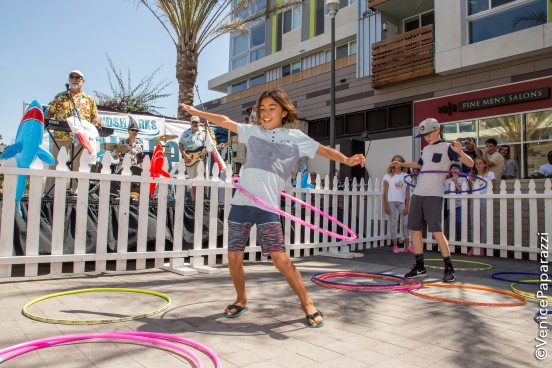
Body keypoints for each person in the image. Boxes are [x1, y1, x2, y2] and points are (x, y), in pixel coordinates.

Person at [179, 88, 365, 328]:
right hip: (241, 204)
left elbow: (323, 150)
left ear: (284, 111)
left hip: (267, 207)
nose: (265, 113)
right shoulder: (253, 131)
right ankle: (241, 299)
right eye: (262, 109)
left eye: (271, 108)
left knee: (280, 259)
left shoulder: (295, 137)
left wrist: (347, 160)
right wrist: (198, 113)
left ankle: (307, 303)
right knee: (234, 255)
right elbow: (225, 121)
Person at [391, 118, 473, 283]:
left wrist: (461, 152)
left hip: (434, 194)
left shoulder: (447, 148)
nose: (426, 137)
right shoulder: (426, 149)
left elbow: (470, 164)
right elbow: (420, 165)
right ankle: (419, 266)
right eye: (423, 135)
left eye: (428, 133)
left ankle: (449, 268)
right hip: (418, 193)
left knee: (436, 231)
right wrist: (401, 164)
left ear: (437, 130)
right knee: (414, 229)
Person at [45, 70, 102, 194]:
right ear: (69, 80)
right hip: (61, 135)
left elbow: (94, 117)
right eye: (72, 77)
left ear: (83, 81)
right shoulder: (60, 96)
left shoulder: (89, 99)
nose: (75, 79)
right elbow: (50, 112)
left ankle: (75, 194)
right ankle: (50, 195)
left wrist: (98, 122)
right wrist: (49, 118)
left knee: (79, 166)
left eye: (78, 77)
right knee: (55, 164)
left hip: (81, 137)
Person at [383, 155, 412, 254]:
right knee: (393, 223)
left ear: (402, 163)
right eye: (395, 161)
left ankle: (407, 246)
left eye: (399, 161)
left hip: (401, 202)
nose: (397, 162)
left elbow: (408, 192)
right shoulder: (388, 176)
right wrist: (386, 205)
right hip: (391, 202)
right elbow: (385, 191)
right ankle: (395, 245)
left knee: (406, 223)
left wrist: (407, 206)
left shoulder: (405, 176)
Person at [468, 157, 495, 256]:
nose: (478, 165)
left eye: (480, 163)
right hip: (474, 200)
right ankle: (474, 246)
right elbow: (471, 188)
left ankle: (482, 247)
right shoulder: (472, 176)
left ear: (484, 164)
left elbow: (492, 187)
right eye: (476, 164)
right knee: (473, 223)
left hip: (485, 200)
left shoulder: (490, 174)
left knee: (483, 223)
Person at [179, 116, 206, 199]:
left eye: (196, 122)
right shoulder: (186, 133)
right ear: (190, 123)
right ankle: (194, 201)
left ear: (199, 123)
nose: (195, 124)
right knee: (192, 180)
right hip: (190, 159)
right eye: (193, 122)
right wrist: (184, 155)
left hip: (201, 159)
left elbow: (209, 145)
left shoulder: (204, 132)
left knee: (202, 180)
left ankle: (203, 200)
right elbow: (180, 144)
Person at [444, 162, 468, 241]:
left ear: (460, 170)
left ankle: (459, 240)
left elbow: (464, 191)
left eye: (456, 168)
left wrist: (455, 183)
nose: (454, 170)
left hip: (460, 204)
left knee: (459, 222)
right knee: (451, 223)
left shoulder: (463, 179)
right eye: (452, 168)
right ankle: (452, 240)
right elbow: (445, 192)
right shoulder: (447, 180)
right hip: (450, 205)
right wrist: (452, 183)